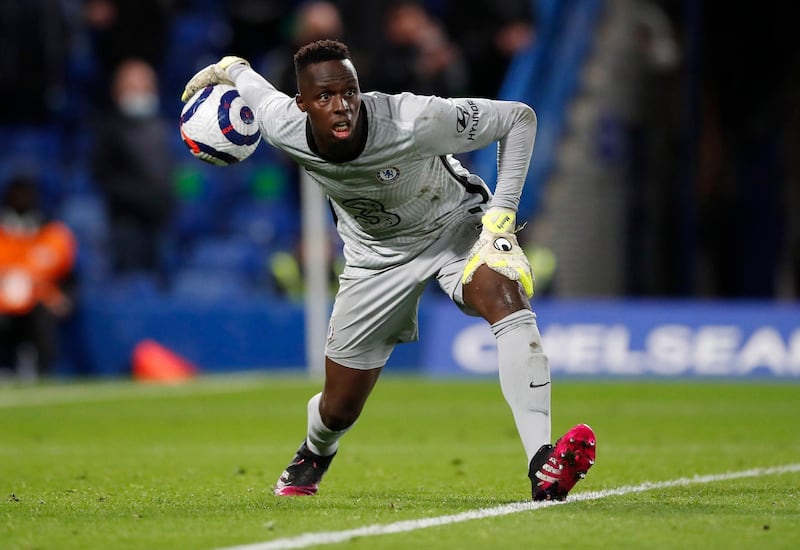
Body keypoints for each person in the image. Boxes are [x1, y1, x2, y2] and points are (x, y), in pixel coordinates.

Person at [181, 39, 596, 501]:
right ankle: (314, 454)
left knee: (505, 295)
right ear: (302, 105)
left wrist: (501, 214)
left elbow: (519, 118)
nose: (341, 107)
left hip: (454, 225)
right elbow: (255, 87)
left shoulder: (414, 119)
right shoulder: (283, 126)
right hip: (374, 259)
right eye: (324, 98)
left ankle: (543, 463)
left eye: (349, 93)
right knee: (338, 408)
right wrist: (232, 67)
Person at [91, 58, 176, 278]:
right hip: (127, 225)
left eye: (146, 87)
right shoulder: (109, 129)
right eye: (134, 87)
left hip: (161, 222)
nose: (141, 93)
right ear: (118, 91)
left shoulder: (161, 127)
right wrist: (141, 197)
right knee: (131, 283)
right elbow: (102, 175)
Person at [0, 176, 76, 378]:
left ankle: (42, 370)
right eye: (16, 195)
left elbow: (69, 277)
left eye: (26, 195)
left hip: (39, 303)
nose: (21, 200)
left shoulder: (53, 234)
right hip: (3, 306)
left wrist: (65, 298)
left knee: (42, 317)